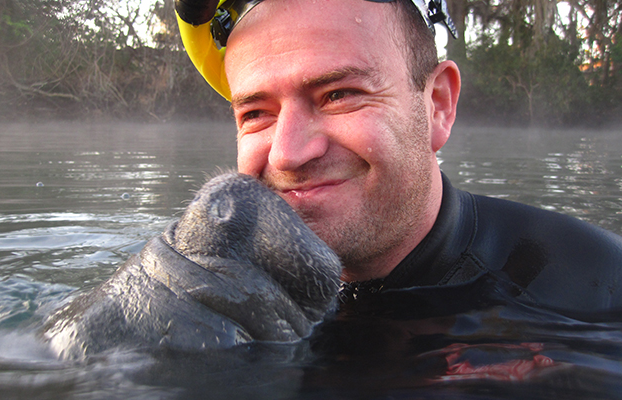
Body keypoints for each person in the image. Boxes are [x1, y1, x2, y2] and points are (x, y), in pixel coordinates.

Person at [175, 0, 622, 317]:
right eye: (255, 113)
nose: (288, 154)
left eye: (339, 95)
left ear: (438, 105)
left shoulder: (594, 292)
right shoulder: (205, 290)